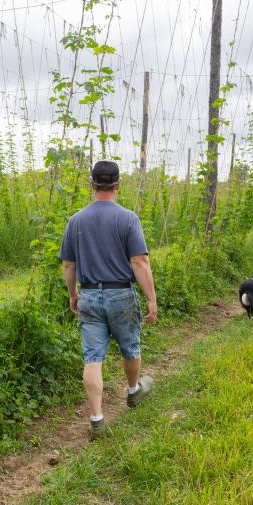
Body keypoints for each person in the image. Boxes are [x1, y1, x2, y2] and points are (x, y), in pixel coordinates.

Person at [59, 159, 158, 440]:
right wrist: (151, 298)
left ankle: (97, 420)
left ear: (92, 185)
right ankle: (132, 391)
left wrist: (73, 295)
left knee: (93, 359)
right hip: (121, 294)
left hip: (89, 294)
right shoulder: (128, 218)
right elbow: (139, 261)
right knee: (130, 347)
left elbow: (69, 266)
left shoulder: (76, 220)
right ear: (118, 185)